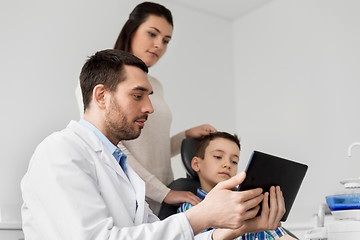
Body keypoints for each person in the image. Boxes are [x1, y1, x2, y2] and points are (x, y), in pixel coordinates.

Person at [22, 49, 286, 239]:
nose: (149, 108)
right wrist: (201, 216)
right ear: (101, 96)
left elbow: (161, 236)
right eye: (138, 95)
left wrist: (238, 228)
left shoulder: (121, 168)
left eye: (149, 97)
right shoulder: (61, 152)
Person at [75, 1, 216, 215]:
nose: (159, 44)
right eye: (152, 34)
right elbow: (111, 148)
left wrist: (185, 136)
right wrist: (163, 193)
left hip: (164, 194)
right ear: (131, 30)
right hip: (132, 194)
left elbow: (151, 148)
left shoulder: (156, 86)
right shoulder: (97, 81)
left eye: (166, 40)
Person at [177, 132, 296, 240]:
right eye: (218, 157)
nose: (227, 164)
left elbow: (281, 237)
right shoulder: (191, 209)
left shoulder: (249, 202)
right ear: (196, 164)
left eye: (234, 161)